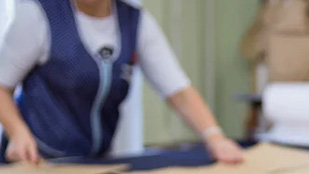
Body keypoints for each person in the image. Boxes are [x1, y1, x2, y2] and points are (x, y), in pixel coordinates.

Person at [0, 0, 245, 164]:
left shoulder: (135, 22)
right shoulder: (38, 15)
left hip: (94, 164)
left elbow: (178, 91)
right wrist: (18, 133)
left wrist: (215, 138)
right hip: (36, 162)